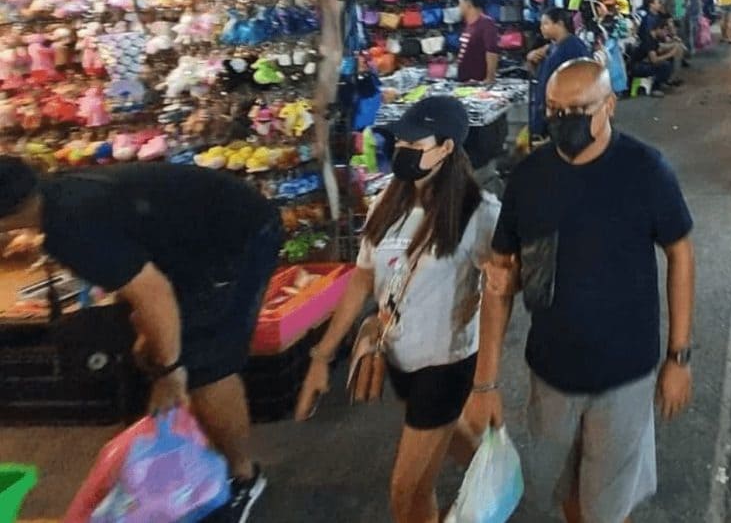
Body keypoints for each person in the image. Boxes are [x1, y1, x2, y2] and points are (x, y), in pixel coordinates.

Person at [0, 159, 281, 522]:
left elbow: (153, 293)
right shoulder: (57, 198)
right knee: (174, 353)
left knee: (208, 366)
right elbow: (139, 276)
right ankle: (198, 457)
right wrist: (153, 340)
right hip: (194, 250)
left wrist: (170, 369)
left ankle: (244, 476)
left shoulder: (68, 227)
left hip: (236, 240)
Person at [484, 59, 695, 523]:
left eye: (579, 109)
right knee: (566, 488)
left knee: (607, 506)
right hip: (550, 373)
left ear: (610, 106)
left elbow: (680, 253)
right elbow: (502, 274)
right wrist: (486, 381)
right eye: (555, 111)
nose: (565, 122)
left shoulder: (646, 171)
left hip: (625, 374)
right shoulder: (529, 177)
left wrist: (678, 357)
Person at [296, 96, 503, 523]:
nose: (402, 151)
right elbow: (362, 278)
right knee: (443, 440)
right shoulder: (386, 204)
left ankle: (490, 479)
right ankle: (496, 471)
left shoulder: (480, 213)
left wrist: (486, 381)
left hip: (446, 363)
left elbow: (502, 291)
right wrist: (322, 354)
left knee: (406, 490)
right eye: (400, 142)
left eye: (415, 143)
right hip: (399, 357)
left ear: (446, 148)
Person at [527, 7, 592, 145]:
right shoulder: (553, 47)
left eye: (546, 24)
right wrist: (531, 59)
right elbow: (540, 76)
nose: (541, 28)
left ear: (560, 24)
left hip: (565, 117)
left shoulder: (574, 47)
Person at [456, 0, 500, 84]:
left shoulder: (486, 23)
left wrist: (490, 78)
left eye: (460, 3)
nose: (459, 6)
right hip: (465, 80)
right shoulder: (468, 24)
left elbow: (492, 51)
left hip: (478, 81)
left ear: (468, 4)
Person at [668, 0, 695, 65]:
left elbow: (688, 1)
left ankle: (684, 55)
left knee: (685, 34)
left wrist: (685, 5)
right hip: (675, 16)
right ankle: (679, 57)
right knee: (677, 36)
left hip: (684, 15)